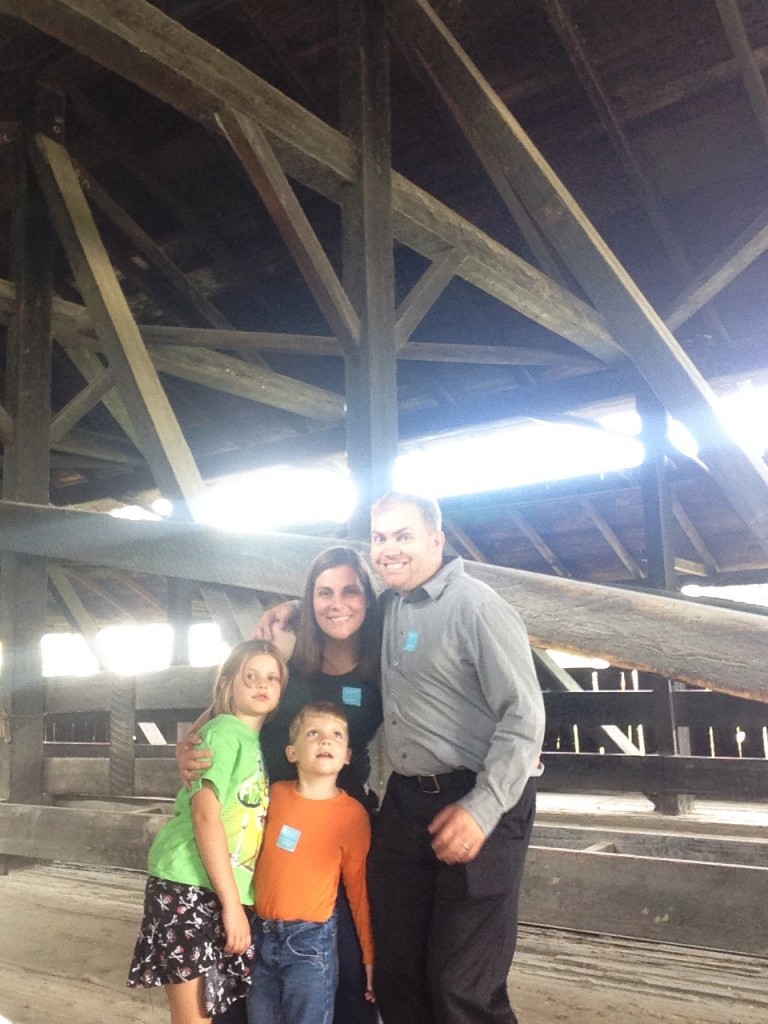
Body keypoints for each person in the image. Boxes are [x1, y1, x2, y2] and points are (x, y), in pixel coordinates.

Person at [257, 492, 545, 1024]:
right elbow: (340, 608)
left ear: (436, 539)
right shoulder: (390, 607)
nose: (389, 548)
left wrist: (482, 808)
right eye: (380, 537)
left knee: (460, 983)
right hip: (409, 800)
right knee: (396, 971)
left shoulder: (477, 607)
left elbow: (525, 717)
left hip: (479, 796)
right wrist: (294, 608)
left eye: (403, 535)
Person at [177, 546, 383, 1024]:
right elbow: (232, 703)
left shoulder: (380, 667)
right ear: (309, 600)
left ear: (368, 599)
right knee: (244, 953)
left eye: (350, 591)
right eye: (323, 593)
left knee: (344, 962)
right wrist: (189, 745)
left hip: (334, 818)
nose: (337, 604)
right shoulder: (290, 653)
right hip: (259, 815)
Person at [127, 639, 289, 1024]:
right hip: (188, 884)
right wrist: (232, 906)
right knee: (194, 1017)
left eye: (272, 678)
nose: (261, 684)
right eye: (250, 676)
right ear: (227, 684)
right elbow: (205, 817)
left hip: (214, 886)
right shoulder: (222, 733)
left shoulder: (250, 741)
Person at [249, 701, 375, 1024]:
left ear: (348, 756)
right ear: (291, 752)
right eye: (313, 733)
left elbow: (358, 891)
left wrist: (370, 957)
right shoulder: (274, 795)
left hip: (310, 944)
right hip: (259, 936)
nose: (325, 740)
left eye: (336, 735)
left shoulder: (352, 816)